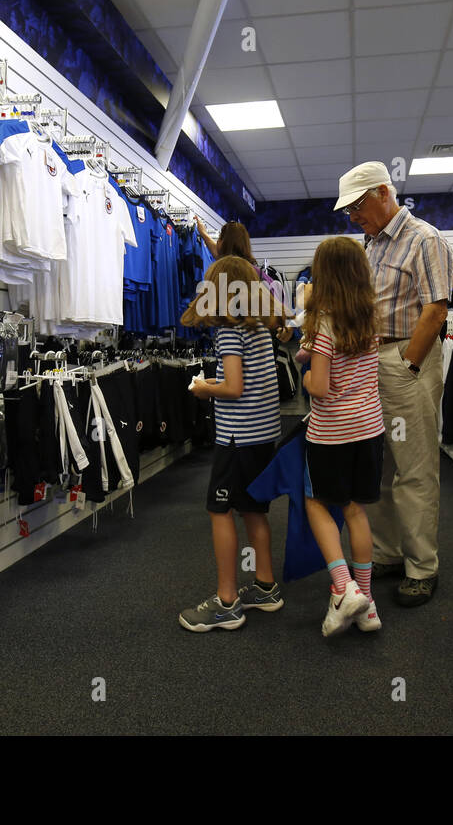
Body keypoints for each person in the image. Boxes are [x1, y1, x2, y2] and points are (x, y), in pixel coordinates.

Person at [337, 161, 452, 607]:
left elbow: (436, 309)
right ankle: (387, 553)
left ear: (385, 192)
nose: (353, 215)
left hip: (405, 357)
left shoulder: (424, 238)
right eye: (348, 209)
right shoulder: (371, 245)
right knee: (379, 466)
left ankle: (422, 566)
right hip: (372, 360)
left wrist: (408, 365)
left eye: (357, 205)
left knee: (415, 467)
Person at [177, 256, 284, 631]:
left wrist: (205, 388)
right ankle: (265, 586)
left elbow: (234, 388)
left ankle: (226, 601)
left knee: (220, 511)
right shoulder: (259, 327)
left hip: (237, 438)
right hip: (262, 435)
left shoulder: (227, 331)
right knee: (254, 511)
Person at [299, 237, 385, 635]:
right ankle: (366, 607)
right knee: (356, 510)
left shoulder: (323, 322)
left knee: (316, 502)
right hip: (369, 430)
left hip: (331, 433)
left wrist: (305, 371)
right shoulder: (371, 317)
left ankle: (344, 585)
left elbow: (319, 386)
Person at [196, 217, 292, 341]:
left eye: (219, 238)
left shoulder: (233, 273)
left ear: (224, 243)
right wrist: (203, 234)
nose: (217, 242)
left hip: (243, 343)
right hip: (263, 343)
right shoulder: (256, 272)